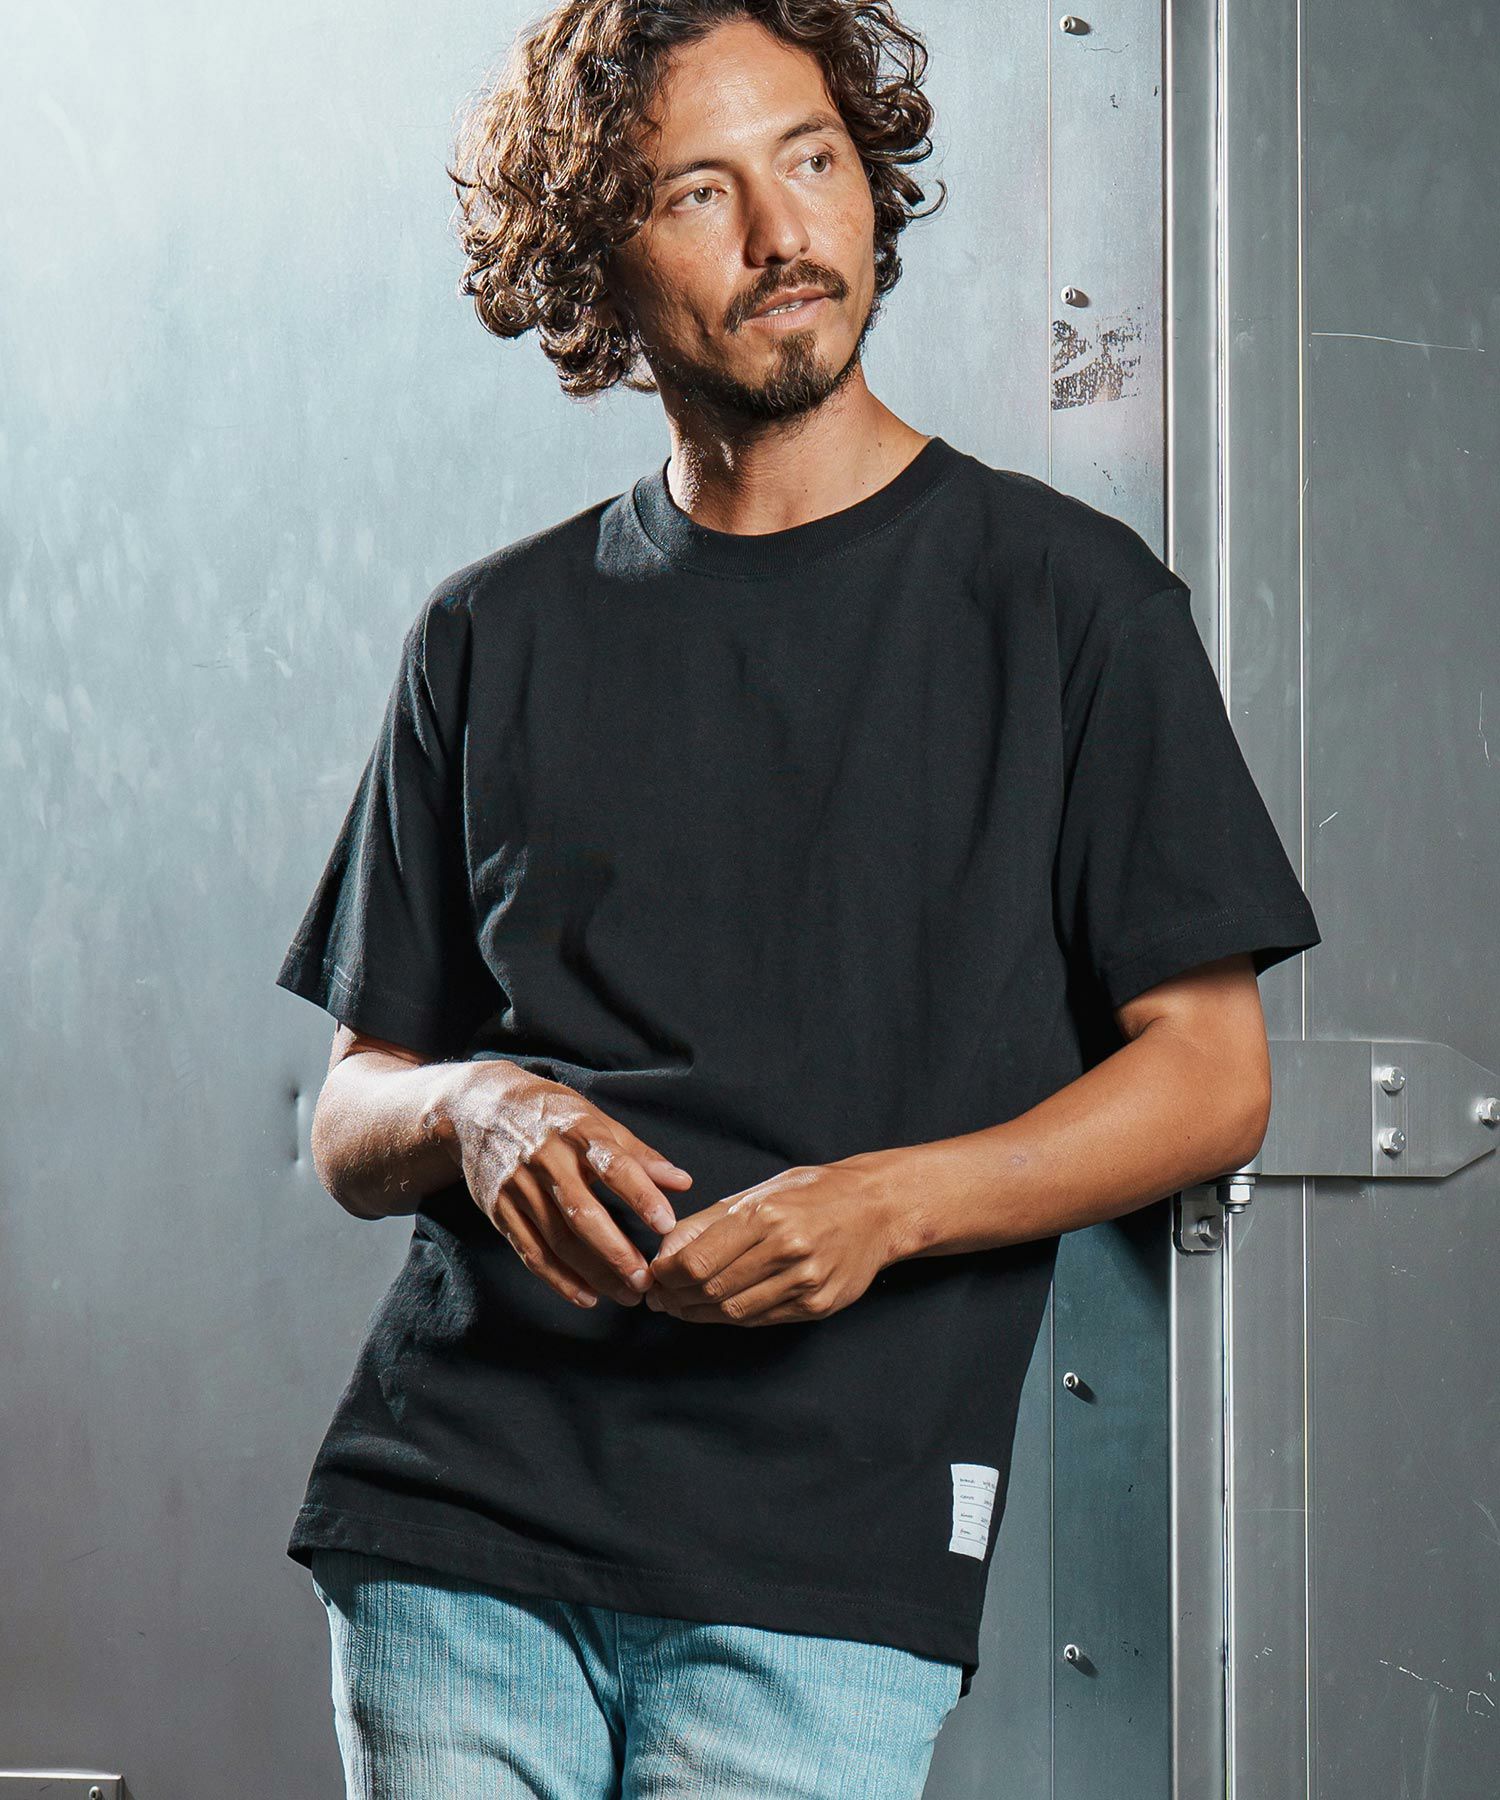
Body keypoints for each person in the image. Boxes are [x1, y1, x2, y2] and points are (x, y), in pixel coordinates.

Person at [274, 2, 1322, 1794]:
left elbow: (1213, 1076)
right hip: (457, 1523)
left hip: (827, 1559)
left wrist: (889, 1208)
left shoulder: (1074, 607)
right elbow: (353, 1116)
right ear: (596, 259)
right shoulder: (488, 632)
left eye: (813, 159)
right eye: (700, 191)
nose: (784, 234)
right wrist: (478, 1107)